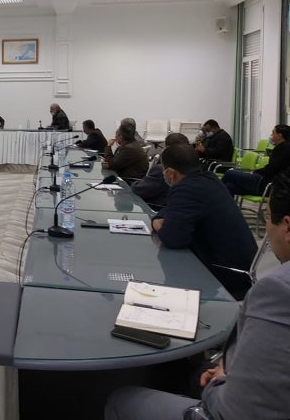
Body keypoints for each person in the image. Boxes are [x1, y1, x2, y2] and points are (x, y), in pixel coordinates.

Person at [104, 172, 290, 420]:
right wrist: (229, 366)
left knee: (122, 399)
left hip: (226, 406)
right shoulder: (211, 182)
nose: (266, 227)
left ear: (287, 226)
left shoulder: (278, 290)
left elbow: (236, 411)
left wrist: (218, 383)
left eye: (267, 217)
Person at [152, 144, 256, 300]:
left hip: (225, 276)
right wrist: (162, 218)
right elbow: (170, 209)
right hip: (241, 267)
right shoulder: (209, 179)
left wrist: (156, 223)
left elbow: (173, 239)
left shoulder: (186, 190)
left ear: (170, 173)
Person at [222, 124, 290, 197]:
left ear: (280, 136)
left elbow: (272, 169)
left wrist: (256, 172)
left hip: (267, 184)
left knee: (229, 173)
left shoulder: (283, 149)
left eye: (273, 132)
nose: (271, 135)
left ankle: (214, 195)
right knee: (229, 186)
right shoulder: (283, 147)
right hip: (268, 183)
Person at [131, 133, 190, 209]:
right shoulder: (191, 169)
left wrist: (134, 183)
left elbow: (139, 190)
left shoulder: (163, 170)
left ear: (167, 149)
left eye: (164, 147)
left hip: (154, 209)